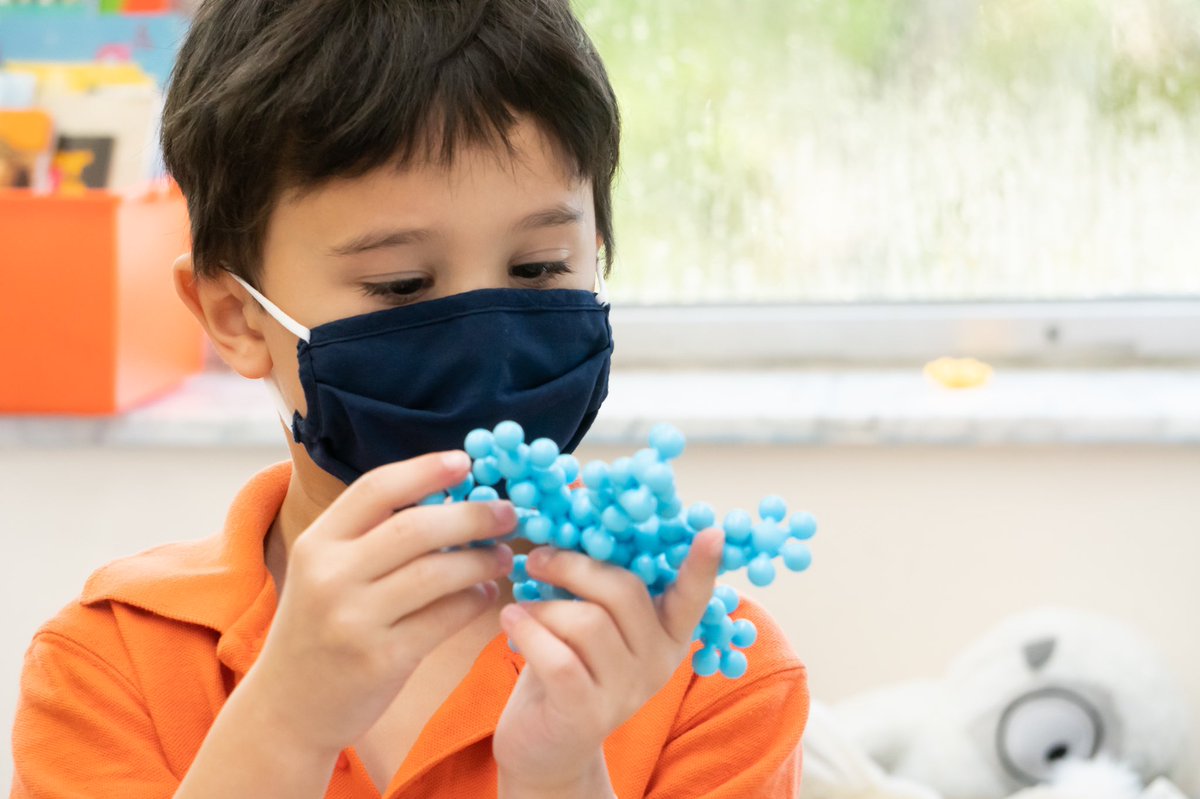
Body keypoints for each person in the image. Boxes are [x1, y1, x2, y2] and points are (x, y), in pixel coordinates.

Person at [10, 1, 809, 796]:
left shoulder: (712, 670)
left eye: (538, 268)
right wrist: (284, 726)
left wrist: (563, 775)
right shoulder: (113, 665)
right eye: (400, 284)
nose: (483, 340)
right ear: (236, 316)